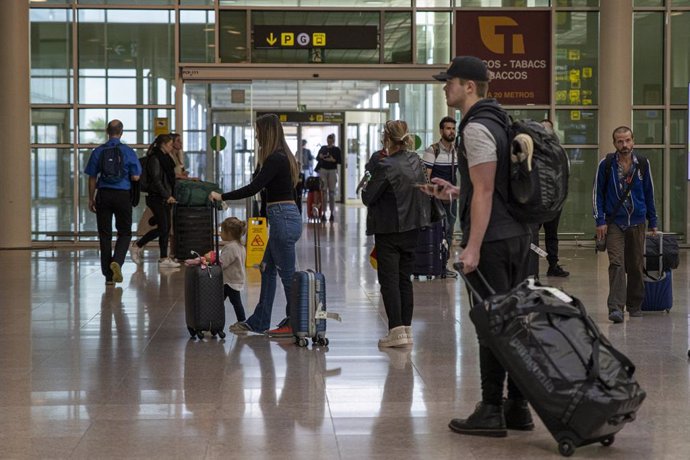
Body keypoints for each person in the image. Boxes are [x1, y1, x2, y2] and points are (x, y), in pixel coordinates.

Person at [430, 56, 533, 437]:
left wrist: (471, 247)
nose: (445, 88)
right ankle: (518, 406)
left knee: (491, 324)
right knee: (516, 322)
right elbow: (490, 186)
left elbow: (487, 190)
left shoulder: (474, 128)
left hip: (493, 242)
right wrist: (458, 191)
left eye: (450, 82)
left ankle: (491, 409)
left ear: (469, 86)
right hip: (518, 237)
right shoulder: (499, 119)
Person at [210, 113, 302, 337]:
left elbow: (253, 188)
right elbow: (272, 192)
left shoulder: (275, 159)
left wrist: (222, 196)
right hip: (284, 216)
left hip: (283, 218)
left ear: (267, 132)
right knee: (268, 271)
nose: (257, 135)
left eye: (258, 131)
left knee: (288, 276)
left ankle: (296, 323)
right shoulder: (284, 157)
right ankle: (260, 321)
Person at [361, 120, 430, 348]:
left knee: (389, 281)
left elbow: (368, 197)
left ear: (387, 139)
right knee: (404, 279)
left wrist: (365, 184)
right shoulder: (416, 161)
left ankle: (395, 331)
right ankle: (407, 330)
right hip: (413, 228)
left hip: (389, 229)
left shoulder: (385, 165)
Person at [593, 126, 657, 323]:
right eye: (620, 141)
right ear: (614, 144)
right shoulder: (607, 164)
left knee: (636, 265)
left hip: (637, 221)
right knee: (617, 264)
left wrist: (653, 221)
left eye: (627, 140)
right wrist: (600, 220)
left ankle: (635, 305)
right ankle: (616, 308)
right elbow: (598, 194)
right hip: (615, 224)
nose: (624, 145)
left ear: (633, 141)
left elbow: (649, 194)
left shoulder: (643, 164)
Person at [84, 119, 141, 285]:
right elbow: (136, 176)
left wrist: (91, 198)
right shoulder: (128, 152)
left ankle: (109, 276)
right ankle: (117, 261)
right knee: (124, 232)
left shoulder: (98, 151)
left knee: (105, 234)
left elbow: (92, 177)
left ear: (107, 132)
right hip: (123, 195)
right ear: (121, 132)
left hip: (104, 195)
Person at [129, 134, 181, 269]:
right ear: (163, 145)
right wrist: (166, 195)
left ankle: (164, 257)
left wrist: (170, 195)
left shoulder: (165, 158)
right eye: (169, 144)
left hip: (165, 197)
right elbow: (157, 180)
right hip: (156, 197)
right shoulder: (155, 159)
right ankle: (138, 245)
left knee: (165, 228)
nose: (171, 147)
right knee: (163, 227)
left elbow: (168, 179)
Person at [423, 116, 458, 277]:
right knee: (438, 232)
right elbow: (426, 176)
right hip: (437, 200)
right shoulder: (433, 150)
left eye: (453, 129)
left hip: (451, 200)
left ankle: (444, 265)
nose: (451, 132)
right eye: (448, 128)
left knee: (449, 232)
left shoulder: (456, 151)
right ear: (441, 131)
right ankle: (436, 265)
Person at [540, 119, 569, 278]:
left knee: (552, 235)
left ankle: (553, 264)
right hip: (536, 203)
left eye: (547, 129)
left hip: (554, 203)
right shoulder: (533, 150)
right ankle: (530, 263)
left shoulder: (559, 152)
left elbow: (564, 175)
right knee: (531, 236)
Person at [220, 217, 248, 326]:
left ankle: (242, 321)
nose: (220, 233)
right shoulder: (240, 246)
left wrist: (211, 261)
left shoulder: (230, 247)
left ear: (229, 233)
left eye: (222, 231)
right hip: (234, 279)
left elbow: (222, 263)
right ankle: (215, 319)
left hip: (230, 282)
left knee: (235, 302)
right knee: (223, 301)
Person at [315, 133, 342, 222]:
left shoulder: (337, 149)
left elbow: (339, 160)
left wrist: (332, 160)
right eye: (328, 140)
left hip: (332, 171)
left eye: (331, 140)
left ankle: (331, 213)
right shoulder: (323, 148)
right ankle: (323, 213)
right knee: (324, 192)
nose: (329, 142)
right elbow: (317, 158)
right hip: (323, 170)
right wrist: (321, 156)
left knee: (331, 192)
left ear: (333, 141)